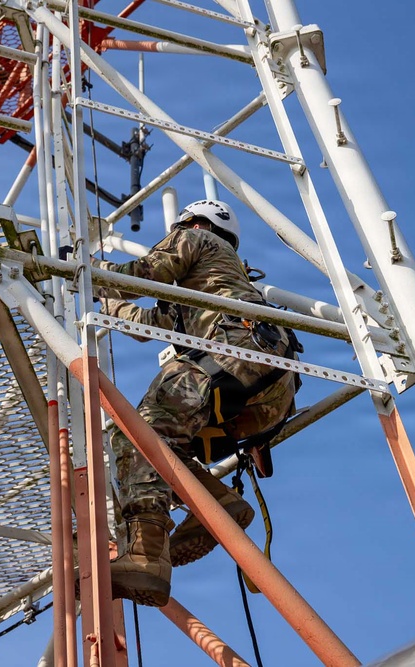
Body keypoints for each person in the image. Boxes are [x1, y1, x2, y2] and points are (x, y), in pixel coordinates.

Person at [95, 199, 299, 607]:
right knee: (161, 444)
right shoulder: (218, 280)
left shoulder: (194, 238)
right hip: (270, 384)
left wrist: (85, 274)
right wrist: (105, 301)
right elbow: (148, 325)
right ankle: (215, 500)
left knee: (134, 432)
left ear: (198, 223)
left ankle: (146, 553)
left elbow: (144, 274)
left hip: (233, 354)